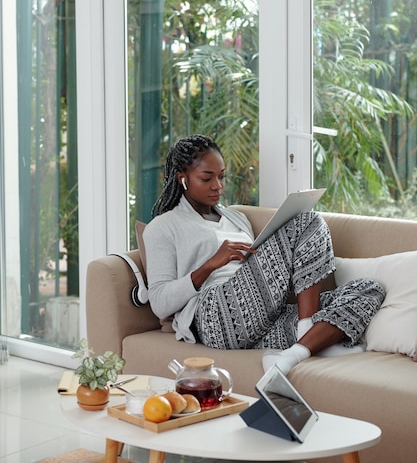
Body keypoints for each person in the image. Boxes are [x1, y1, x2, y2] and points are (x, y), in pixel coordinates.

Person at [144, 134, 385, 375]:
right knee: (307, 221)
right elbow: (159, 302)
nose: (217, 185)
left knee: (370, 289)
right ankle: (308, 333)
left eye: (222, 176)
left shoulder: (235, 218)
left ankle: (297, 352)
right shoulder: (163, 226)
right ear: (182, 179)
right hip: (213, 316)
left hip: (261, 317)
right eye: (207, 178)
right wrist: (210, 265)